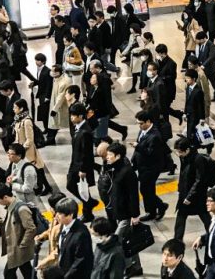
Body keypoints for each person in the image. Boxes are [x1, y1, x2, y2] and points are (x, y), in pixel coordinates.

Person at [101, 142, 143, 276]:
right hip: (119, 213)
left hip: (126, 215)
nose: (107, 157)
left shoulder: (128, 172)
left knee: (116, 242)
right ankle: (136, 267)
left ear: (118, 156)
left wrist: (135, 215)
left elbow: (133, 195)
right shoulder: (115, 169)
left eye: (110, 155)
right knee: (127, 240)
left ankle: (128, 266)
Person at [0, 183, 35, 279]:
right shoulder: (12, 205)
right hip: (17, 247)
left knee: (9, 274)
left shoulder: (21, 209)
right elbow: (13, 221)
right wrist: (0, 222)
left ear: (5, 197)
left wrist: (22, 245)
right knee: (27, 271)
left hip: (19, 247)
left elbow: (31, 228)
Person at [131, 110, 168, 221]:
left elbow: (151, 153)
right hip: (142, 166)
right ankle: (152, 210)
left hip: (151, 168)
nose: (139, 126)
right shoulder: (143, 131)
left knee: (146, 190)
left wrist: (138, 146)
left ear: (148, 121)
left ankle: (160, 206)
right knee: (147, 190)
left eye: (141, 123)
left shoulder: (155, 135)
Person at [173, 137, 212, 241]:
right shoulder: (184, 157)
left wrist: (190, 196)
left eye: (180, 152)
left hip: (196, 195)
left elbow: (200, 180)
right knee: (181, 217)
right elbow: (183, 174)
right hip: (185, 192)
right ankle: (177, 241)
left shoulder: (198, 159)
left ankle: (213, 234)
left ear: (188, 150)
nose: (179, 154)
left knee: (204, 215)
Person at [66, 103, 99, 222]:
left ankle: (88, 210)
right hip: (75, 163)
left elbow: (87, 153)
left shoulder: (85, 132)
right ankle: (89, 203)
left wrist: (83, 170)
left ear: (80, 116)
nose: (71, 118)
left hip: (81, 166)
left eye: (74, 116)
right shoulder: (78, 128)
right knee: (75, 186)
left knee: (81, 188)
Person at [54, 197, 94, 279]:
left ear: (70, 215)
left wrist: (66, 277)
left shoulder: (81, 234)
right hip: (64, 269)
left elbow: (80, 261)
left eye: (60, 213)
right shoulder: (64, 226)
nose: (56, 216)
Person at [35, 192, 67, 273]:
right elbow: (51, 230)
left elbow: (60, 249)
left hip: (59, 262)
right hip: (52, 257)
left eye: (51, 207)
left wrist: (46, 261)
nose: (50, 209)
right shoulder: (55, 219)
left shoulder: (64, 225)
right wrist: (42, 236)